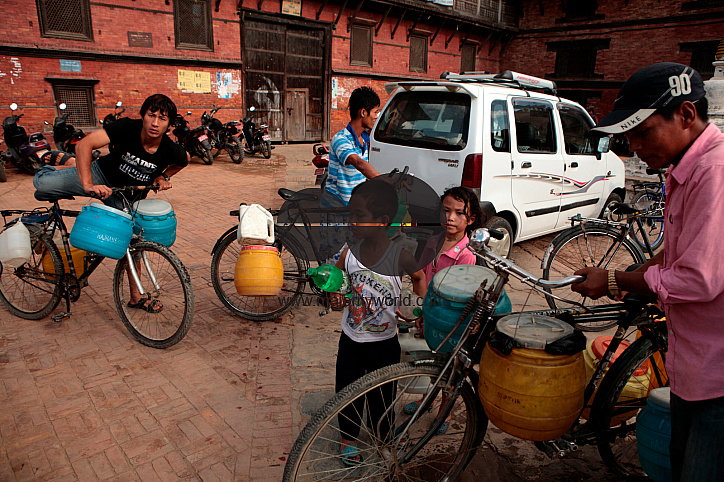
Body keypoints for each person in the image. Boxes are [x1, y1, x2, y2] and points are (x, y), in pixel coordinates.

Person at [570, 62, 724, 481]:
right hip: (692, 367)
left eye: (643, 132)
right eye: (629, 136)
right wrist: (634, 273)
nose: (634, 146)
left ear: (687, 115)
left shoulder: (714, 173)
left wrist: (619, 280)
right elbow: (672, 254)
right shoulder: (683, 168)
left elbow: (698, 278)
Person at [34, 94, 189, 312]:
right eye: (151, 115)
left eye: (162, 119)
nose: (155, 123)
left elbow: (184, 161)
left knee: (132, 241)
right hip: (100, 176)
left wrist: (163, 176)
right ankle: (59, 165)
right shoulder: (126, 127)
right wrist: (88, 184)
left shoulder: (170, 149)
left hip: (126, 195)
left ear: (169, 125)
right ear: (142, 116)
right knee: (43, 186)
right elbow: (84, 144)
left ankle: (136, 297)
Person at [332, 179, 427, 466]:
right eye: (351, 215)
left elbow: (420, 279)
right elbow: (339, 282)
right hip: (351, 338)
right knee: (348, 390)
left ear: (382, 221)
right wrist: (337, 294)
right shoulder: (349, 253)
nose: (352, 222)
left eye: (359, 217)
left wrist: (415, 310)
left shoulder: (401, 256)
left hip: (385, 340)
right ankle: (347, 439)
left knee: (383, 394)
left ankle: (383, 434)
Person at [401, 186, 483, 434]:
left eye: (459, 213)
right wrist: (421, 309)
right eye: (446, 211)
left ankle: (443, 412)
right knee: (433, 362)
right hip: (430, 310)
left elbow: (456, 294)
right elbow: (424, 275)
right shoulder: (434, 241)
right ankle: (427, 399)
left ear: (471, 220)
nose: (451, 217)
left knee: (449, 368)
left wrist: (433, 314)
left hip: (450, 319)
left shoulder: (467, 254)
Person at [319, 87, 384, 263]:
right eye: (375, 111)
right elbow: (359, 164)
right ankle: (331, 290)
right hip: (336, 206)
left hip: (354, 208)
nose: (376, 116)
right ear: (363, 112)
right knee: (335, 261)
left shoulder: (365, 139)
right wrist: (383, 182)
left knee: (357, 256)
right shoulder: (341, 139)